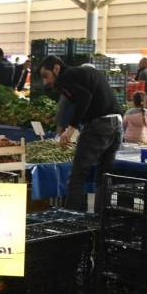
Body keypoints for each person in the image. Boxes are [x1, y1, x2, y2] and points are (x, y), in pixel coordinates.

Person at [39, 55, 123, 212]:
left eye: (46, 76)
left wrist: (70, 128)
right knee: (104, 176)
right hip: (117, 124)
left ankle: (71, 220)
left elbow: (84, 98)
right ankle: (101, 219)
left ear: (56, 69)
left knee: (77, 176)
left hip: (99, 125)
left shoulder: (66, 77)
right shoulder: (84, 74)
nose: (46, 82)